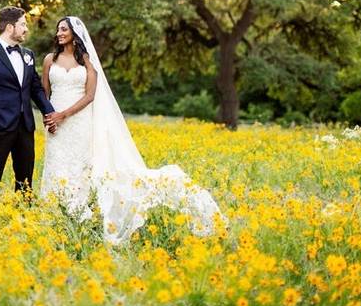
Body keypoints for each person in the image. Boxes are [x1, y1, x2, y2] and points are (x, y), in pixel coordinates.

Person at [40, 16, 225, 243]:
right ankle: (53, 219)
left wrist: (64, 114)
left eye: (64, 29)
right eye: (58, 29)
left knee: (79, 169)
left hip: (78, 122)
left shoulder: (87, 61)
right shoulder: (50, 59)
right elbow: (44, 93)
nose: (59, 33)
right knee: (56, 166)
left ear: (75, 34)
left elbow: (90, 96)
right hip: (55, 126)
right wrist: (48, 118)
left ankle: (78, 220)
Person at [0, 6, 56, 214]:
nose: (26, 29)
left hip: (25, 127)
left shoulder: (28, 55)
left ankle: (24, 219)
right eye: (23, 24)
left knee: (25, 181)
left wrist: (49, 113)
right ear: (10, 27)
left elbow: (35, 88)